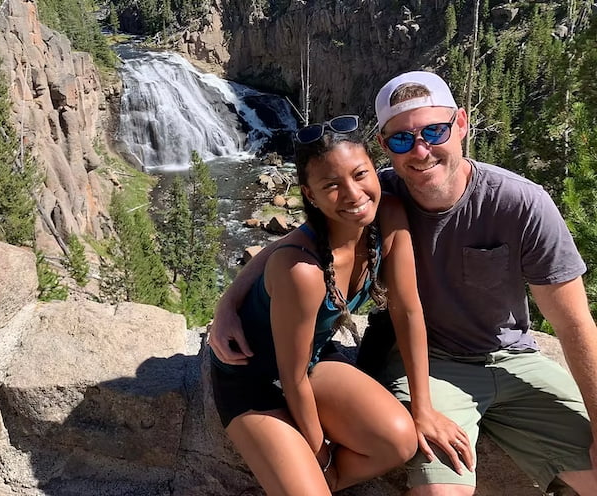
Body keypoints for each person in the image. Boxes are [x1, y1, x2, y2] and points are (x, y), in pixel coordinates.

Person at [210, 71, 597, 495]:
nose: (420, 150)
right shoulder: (368, 205)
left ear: (461, 124)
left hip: (499, 358)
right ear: (384, 147)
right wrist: (227, 304)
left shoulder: (499, 203)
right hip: (296, 374)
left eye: (434, 131)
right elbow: (295, 248)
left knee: (398, 440)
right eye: (401, 139)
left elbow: (573, 325)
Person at [210, 115, 469, 495]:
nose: (352, 194)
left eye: (360, 174)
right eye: (332, 185)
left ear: (374, 171)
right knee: (313, 477)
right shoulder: (303, 268)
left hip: (311, 357)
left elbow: (408, 311)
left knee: (400, 441)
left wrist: (423, 409)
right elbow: (291, 377)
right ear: (310, 194)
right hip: (251, 377)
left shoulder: (390, 216)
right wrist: (322, 455)